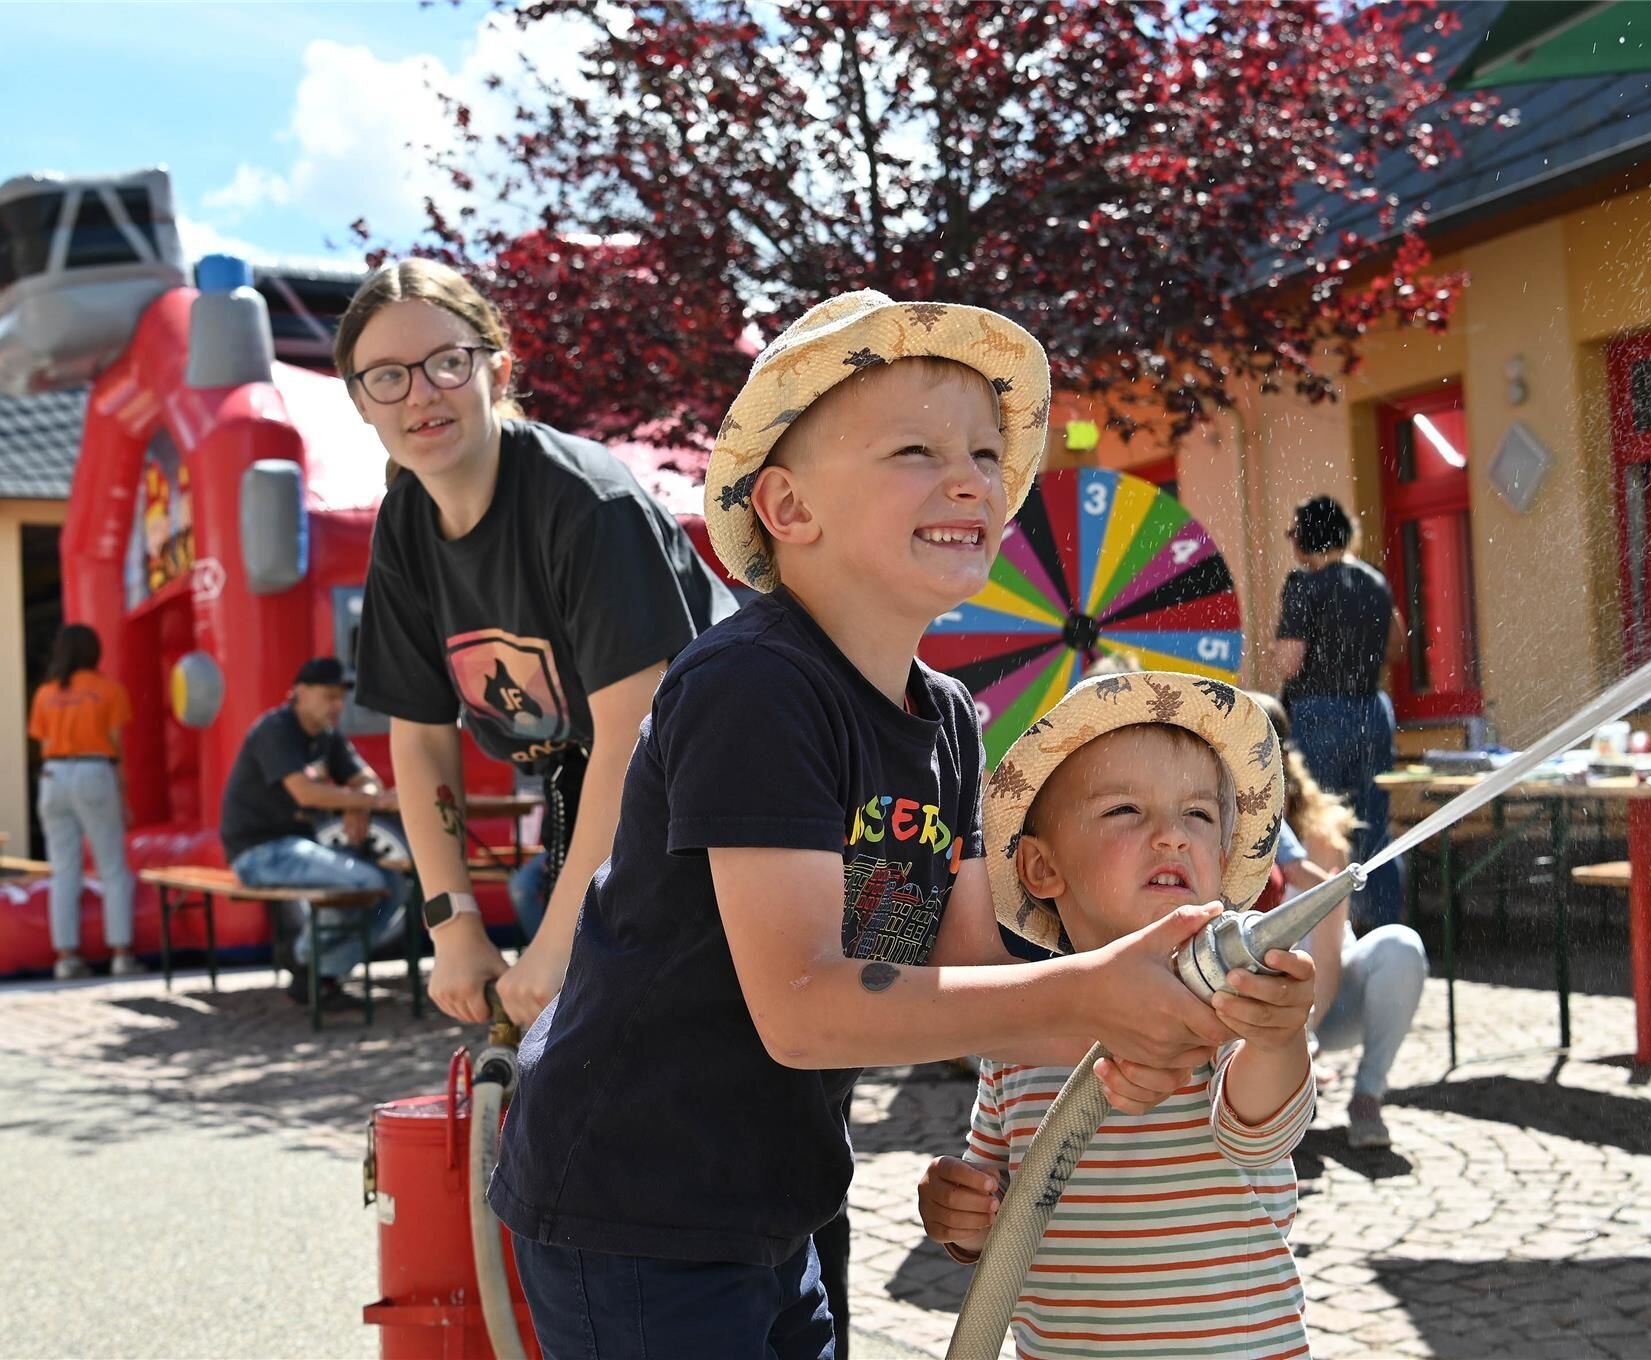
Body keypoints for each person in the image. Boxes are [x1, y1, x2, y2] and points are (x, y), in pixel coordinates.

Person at [489, 291, 1241, 1359]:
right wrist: (1092, 997)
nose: (972, 476)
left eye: (988, 453)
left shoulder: (945, 719)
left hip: (776, 1191)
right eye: (916, 449)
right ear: (789, 508)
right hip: (637, 1202)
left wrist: (1156, 1005)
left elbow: (968, 963)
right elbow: (804, 1005)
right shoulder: (756, 684)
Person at [339, 258, 736, 1032]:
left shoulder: (587, 504)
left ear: (497, 370)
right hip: (614, 786)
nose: (420, 392)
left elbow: (634, 733)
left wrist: (560, 944)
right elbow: (419, 739)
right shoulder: (405, 523)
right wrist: (452, 926)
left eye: (447, 363)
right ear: (359, 401)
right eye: (387, 375)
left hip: (730, 782)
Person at [918, 673, 1316, 1360]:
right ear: (1042, 868)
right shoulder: (1017, 1037)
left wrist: (1276, 1037)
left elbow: (1261, 1132)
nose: (1171, 837)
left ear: (1223, 856)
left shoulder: (1225, 999)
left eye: (1197, 814)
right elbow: (1003, 1208)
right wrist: (960, 1215)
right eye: (1126, 810)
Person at [1253, 691, 1426, 1150]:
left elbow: (1325, 962)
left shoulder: (1315, 840)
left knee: (1401, 947)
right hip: (1258, 1011)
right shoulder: (1218, 833)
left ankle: (1367, 1096)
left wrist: (1302, 1036)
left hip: (1325, 1006)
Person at [220, 658, 403, 1011]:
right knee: (364, 881)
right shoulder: (275, 729)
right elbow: (305, 792)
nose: (337, 705)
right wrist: (365, 799)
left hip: (297, 847)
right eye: (329, 696)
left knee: (393, 888)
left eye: (340, 697)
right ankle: (307, 963)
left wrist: (359, 803)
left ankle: (318, 974)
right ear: (300, 693)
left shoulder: (327, 736)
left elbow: (366, 779)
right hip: (258, 852)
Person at [1273, 492, 1408, 928]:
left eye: (1292, 533)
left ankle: (1329, 929)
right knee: (1373, 824)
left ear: (1304, 540)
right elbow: (1397, 647)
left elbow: (1290, 661)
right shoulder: (1374, 580)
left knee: (1322, 826)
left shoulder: (1304, 585)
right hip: (1372, 710)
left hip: (1319, 713)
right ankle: (1382, 926)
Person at [28, 623, 140, 980]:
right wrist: (123, 796)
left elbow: (43, 744)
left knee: (63, 871)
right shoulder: (108, 690)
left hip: (53, 776)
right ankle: (121, 953)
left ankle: (65, 956)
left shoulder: (45, 694)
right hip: (94, 771)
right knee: (113, 868)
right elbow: (116, 746)